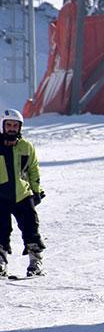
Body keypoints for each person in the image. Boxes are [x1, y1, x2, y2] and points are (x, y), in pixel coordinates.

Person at [0, 109, 45, 277]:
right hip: (1, 196)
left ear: (20, 127)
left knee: (31, 227)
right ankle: (1, 260)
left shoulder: (26, 146)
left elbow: (33, 169)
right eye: (9, 125)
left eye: (15, 126)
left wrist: (37, 190)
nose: (12, 128)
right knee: (1, 229)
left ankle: (35, 261)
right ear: (3, 126)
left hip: (23, 194)